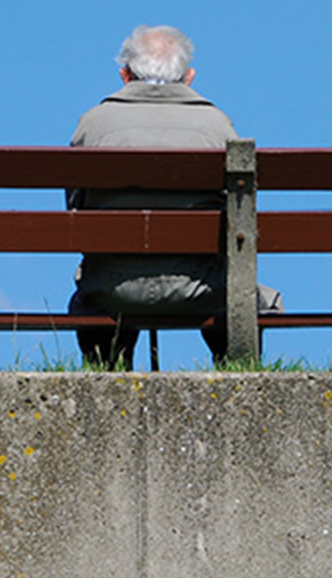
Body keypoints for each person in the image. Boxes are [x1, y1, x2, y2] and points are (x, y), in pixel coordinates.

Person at [67, 24, 282, 367]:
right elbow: (237, 216)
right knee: (237, 286)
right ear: (190, 76)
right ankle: (236, 372)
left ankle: (107, 376)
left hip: (112, 290)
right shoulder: (217, 127)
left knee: (95, 293)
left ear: (124, 75)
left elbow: (76, 210)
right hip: (202, 291)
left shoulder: (93, 125)